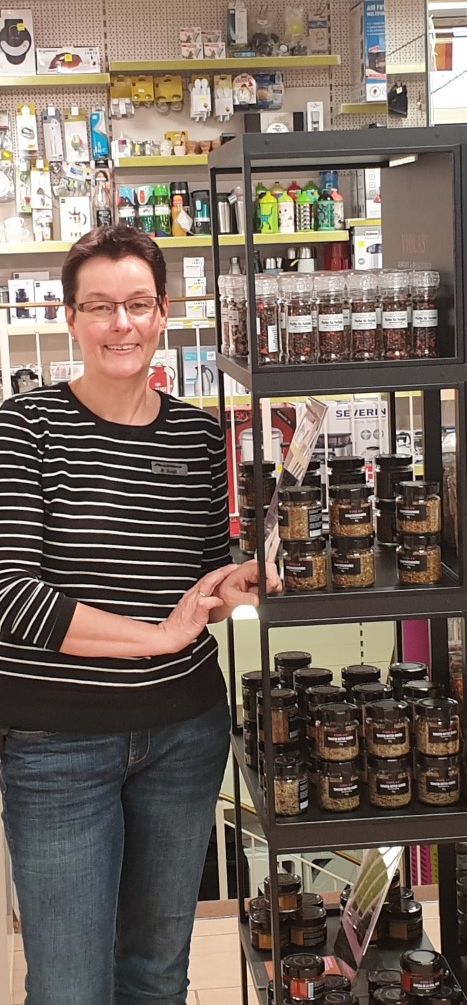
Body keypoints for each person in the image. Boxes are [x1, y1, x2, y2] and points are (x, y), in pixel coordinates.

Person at [0, 225, 279, 1005]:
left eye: (137, 304)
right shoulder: (23, 429)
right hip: (57, 746)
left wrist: (232, 588)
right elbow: (10, 596)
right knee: (69, 985)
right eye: (99, 306)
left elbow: (197, 588)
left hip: (183, 736)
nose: (119, 324)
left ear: (162, 314)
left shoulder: (198, 436)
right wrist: (156, 637)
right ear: (70, 318)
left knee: (156, 974)